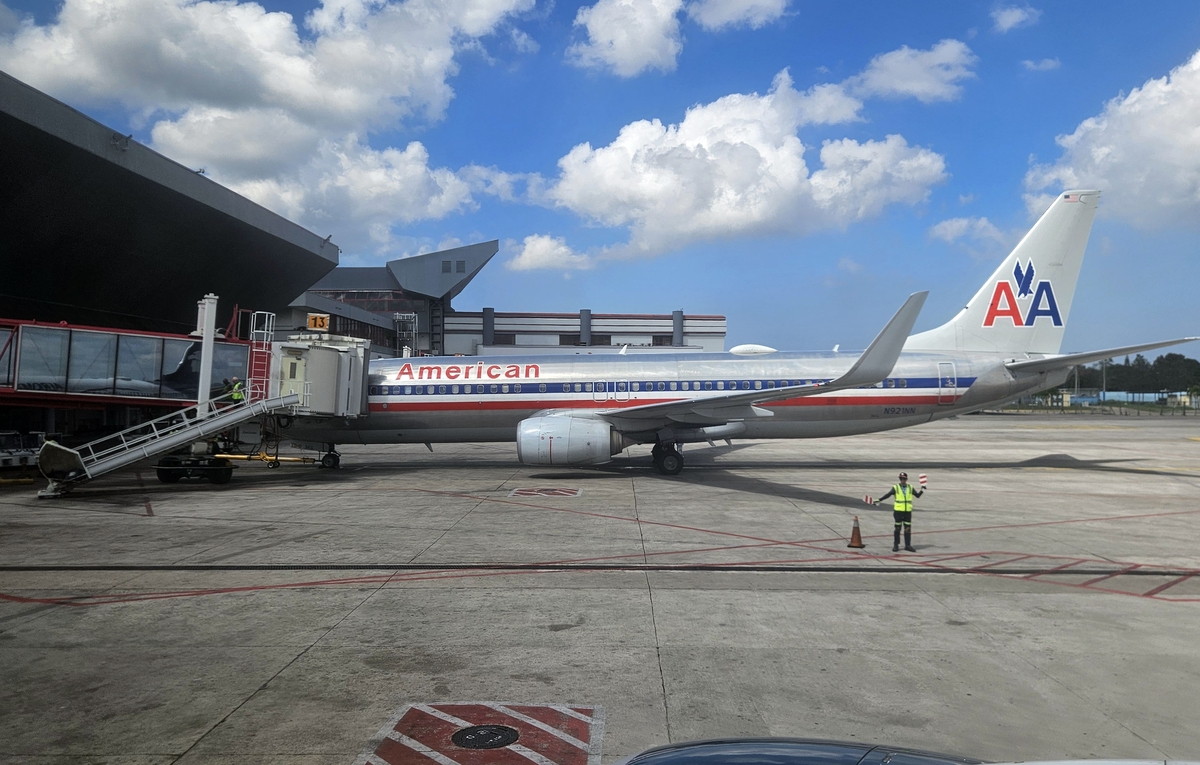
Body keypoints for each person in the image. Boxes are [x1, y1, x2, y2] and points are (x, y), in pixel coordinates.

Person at [875, 472, 924, 552]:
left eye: (904, 478)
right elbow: (888, 494)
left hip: (907, 511)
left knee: (907, 529)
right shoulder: (896, 487)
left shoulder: (910, 487)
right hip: (898, 511)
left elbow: (917, 496)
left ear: (906, 479)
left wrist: (922, 489)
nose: (902, 480)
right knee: (897, 528)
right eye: (901, 478)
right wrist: (879, 500)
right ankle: (896, 544)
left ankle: (907, 545)